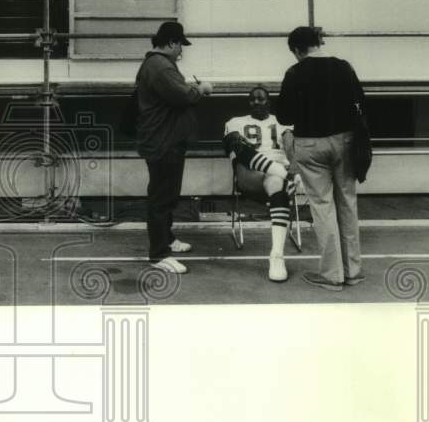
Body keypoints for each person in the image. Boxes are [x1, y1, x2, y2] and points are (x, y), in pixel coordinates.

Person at [276, 26, 366, 292]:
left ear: (296, 50)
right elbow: (360, 103)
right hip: (345, 141)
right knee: (347, 203)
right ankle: (353, 271)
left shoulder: (294, 73)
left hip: (311, 144)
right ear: (319, 42)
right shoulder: (344, 67)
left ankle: (332, 275)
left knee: (322, 207)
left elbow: (284, 117)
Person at [135, 21, 213, 274]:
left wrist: (189, 89)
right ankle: (159, 254)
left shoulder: (160, 65)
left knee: (167, 195)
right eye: (180, 45)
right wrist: (202, 89)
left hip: (166, 140)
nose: (181, 51)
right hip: (163, 142)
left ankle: (166, 239)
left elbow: (175, 93)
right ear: (171, 43)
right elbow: (184, 96)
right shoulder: (160, 66)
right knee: (161, 197)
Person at [223, 85, 295, 282]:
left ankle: (277, 256)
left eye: (261, 99)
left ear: (268, 102)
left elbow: (290, 146)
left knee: (277, 182)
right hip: (249, 175)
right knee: (237, 144)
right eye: (252, 99)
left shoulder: (282, 123)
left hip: (275, 179)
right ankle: (282, 173)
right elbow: (234, 147)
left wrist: (294, 165)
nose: (256, 102)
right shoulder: (236, 122)